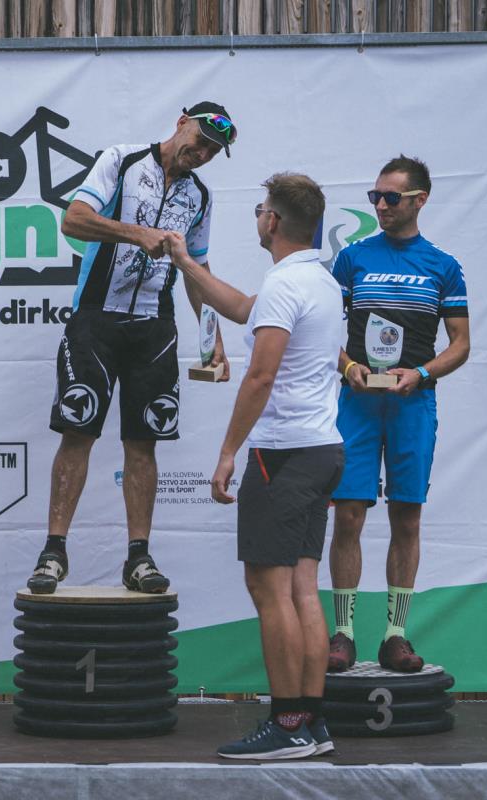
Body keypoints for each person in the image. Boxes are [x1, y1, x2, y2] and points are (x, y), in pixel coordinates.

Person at [167, 172, 345, 759]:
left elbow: (261, 375)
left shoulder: (286, 283)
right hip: (321, 449)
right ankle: (311, 723)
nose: (258, 217)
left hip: (283, 454)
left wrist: (227, 453)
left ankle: (287, 723)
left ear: (273, 220)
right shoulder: (318, 281)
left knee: (269, 590)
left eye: (260, 209)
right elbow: (245, 309)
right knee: (302, 589)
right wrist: (187, 263)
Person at [26, 102, 234, 595]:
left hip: (154, 329)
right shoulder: (122, 159)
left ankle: (138, 557)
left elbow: (196, 270)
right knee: (78, 432)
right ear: (181, 122)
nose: (203, 154)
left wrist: (213, 337)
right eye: (200, 141)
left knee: (144, 443)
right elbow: (74, 220)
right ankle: (53, 552)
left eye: (213, 151)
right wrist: (135, 233)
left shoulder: (200, 195)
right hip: (95, 320)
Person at [327, 155, 470, 673]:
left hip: (413, 404)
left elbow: (461, 344)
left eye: (391, 197)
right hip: (358, 404)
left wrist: (423, 373)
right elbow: (323, 332)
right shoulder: (352, 259)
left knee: (406, 516)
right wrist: (348, 367)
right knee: (348, 513)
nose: (381, 206)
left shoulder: (443, 265)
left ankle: (395, 636)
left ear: (420, 200)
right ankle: (343, 634)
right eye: (375, 197)